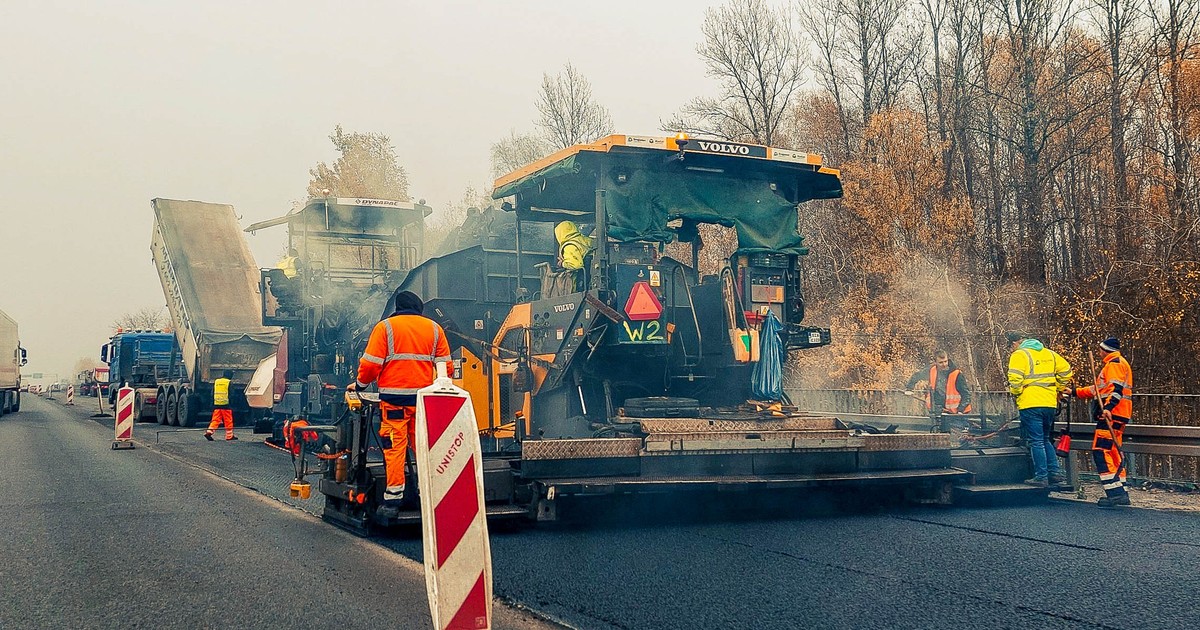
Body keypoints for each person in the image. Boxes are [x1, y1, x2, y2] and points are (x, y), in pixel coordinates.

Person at [350, 290, 451, 516]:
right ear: (419, 308)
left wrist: (360, 385)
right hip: (423, 402)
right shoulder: (435, 329)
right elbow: (447, 369)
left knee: (395, 448)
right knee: (425, 448)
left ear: (397, 307)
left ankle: (393, 501)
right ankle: (430, 496)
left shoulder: (385, 328)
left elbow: (370, 365)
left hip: (394, 404)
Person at [1071, 337, 1133, 508]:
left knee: (1101, 451)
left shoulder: (1114, 364)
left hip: (1111, 414)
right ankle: (1121, 492)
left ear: (1105, 350)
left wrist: (1108, 408)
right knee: (1112, 452)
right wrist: (1074, 392)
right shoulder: (1115, 364)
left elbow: (1116, 390)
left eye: (1100, 349)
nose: (1098, 353)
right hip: (1119, 414)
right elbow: (1097, 390)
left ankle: (1114, 493)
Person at [1006, 332, 1073, 486]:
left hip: (1030, 404)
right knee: (1045, 438)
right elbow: (1066, 371)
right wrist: (1059, 388)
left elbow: (1015, 379)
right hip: (1049, 404)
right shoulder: (1050, 354)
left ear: (1016, 343)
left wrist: (1017, 393)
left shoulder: (1019, 355)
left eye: (1011, 346)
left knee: (1036, 441)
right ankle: (1054, 473)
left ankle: (1041, 476)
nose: (1011, 349)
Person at [905, 349, 973, 415]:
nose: (944, 364)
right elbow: (917, 376)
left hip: (957, 413)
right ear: (935, 362)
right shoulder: (931, 370)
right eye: (941, 362)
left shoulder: (957, 374)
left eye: (945, 361)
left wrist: (960, 410)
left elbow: (966, 394)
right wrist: (909, 388)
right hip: (940, 411)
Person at [204, 370, 236, 441]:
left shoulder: (217, 381)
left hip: (217, 405)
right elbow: (232, 394)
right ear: (230, 375)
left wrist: (212, 403)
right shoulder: (229, 382)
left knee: (215, 420)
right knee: (228, 421)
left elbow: (212, 393)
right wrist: (232, 404)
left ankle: (209, 432)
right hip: (226, 405)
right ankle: (229, 436)